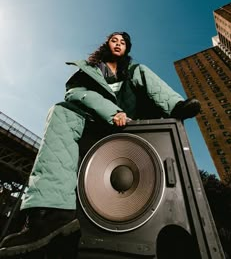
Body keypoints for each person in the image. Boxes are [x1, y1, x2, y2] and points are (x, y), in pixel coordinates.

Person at [0, 31, 200, 256]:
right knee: (59, 111)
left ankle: (175, 105)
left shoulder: (133, 72)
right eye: (114, 40)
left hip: (135, 119)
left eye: (123, 42)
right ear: (106, 44)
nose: (118, 44)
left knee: (142, 70)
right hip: (97, 120)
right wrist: (111, 112)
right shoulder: (89, 70)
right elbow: (74, 94)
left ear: (126, 48)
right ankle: (50, 215)